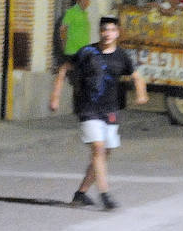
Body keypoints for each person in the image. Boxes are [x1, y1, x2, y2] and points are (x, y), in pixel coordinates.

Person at [49, 17, 148, 210]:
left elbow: (137, 77)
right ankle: (105, 195)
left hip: (110, 110)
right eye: (104, 29)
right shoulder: (87, 52)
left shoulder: (122, 56)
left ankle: (81, 194)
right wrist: (55, 96)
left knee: (104, 154)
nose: (107, 33)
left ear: (117, 33)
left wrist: (141, 94)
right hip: (88, 108)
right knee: (98, 149)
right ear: (100, 31)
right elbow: (63, 69)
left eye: (111, 30)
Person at [58, 0, 90, 64]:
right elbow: (62, 29)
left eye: (88, 0)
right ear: (79, 0)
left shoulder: (85, 13)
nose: (87, 2)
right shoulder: (71, 12)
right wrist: (64, 44)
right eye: (85, 0)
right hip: (72, 50)